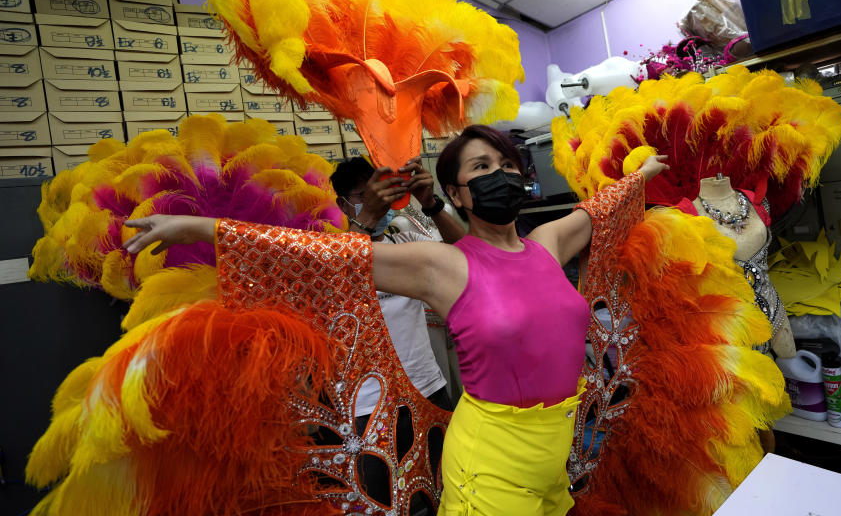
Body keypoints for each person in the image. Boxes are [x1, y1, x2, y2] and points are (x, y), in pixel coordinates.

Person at [123, 124, 668, 516]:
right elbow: (313, 255)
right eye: (481, 168)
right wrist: (197, 227)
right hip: (492, 458)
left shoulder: (549, 242)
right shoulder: (440, 264)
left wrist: (641, 174)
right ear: (455, 193)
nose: (499, 175)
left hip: (558, 445)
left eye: (505, 166)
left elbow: (605, 207)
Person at [330, 155, 463, 506]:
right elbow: (338, 290)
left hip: (428, 387)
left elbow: (468, 254)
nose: (379, 201)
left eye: (383, 192)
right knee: (385, 499)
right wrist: (367, 216)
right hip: (369, 405)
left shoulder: (404, 238)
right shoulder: (331, 249)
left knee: (444, 486)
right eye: (364, 194)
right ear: (343, 203)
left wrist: (430, 203)